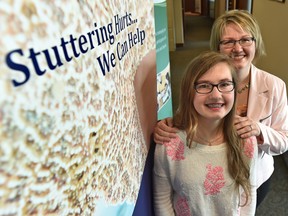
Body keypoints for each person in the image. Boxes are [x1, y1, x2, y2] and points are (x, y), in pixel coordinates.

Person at [153, 9, 288, 207]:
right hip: (208, 174)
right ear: (217, 47)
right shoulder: (203, 78)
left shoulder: (275, 86)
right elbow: (189, 117)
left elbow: (284, 141)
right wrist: (169, 124)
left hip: (254, 177)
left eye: (245, 40)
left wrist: (260, 130)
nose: (237, 48)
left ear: (255, 43)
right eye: (228, 42)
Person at [153, 51, 258, 216]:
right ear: (189, 92)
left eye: (224, 84)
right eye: (203, 86)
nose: (216, 95)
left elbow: (248, 195)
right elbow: (162, 200)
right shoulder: (169, 141)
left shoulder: (246, 139)